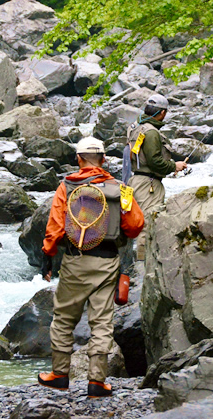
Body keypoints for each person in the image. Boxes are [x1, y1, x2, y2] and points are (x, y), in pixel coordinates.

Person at [37, 137, 144, 397]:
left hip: (75, 260)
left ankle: (59, 375)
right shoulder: (121, 189)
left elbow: (55, 227)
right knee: (102, 322)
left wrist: (48, 256)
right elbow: (135, 226)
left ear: (78, 159)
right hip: (107, 262)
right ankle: (97, 381)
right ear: (104, 160)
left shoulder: (67, 186)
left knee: (63, 318)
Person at [125, 94, 187, 260]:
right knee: (147, 225)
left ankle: (136, 263)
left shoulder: (135, 127)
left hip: (135, 181)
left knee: (137, 224)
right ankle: (144, 266)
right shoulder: (151, 132)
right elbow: (154, 162)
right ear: (163, 113)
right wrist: (175, 166)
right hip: (148, 185)